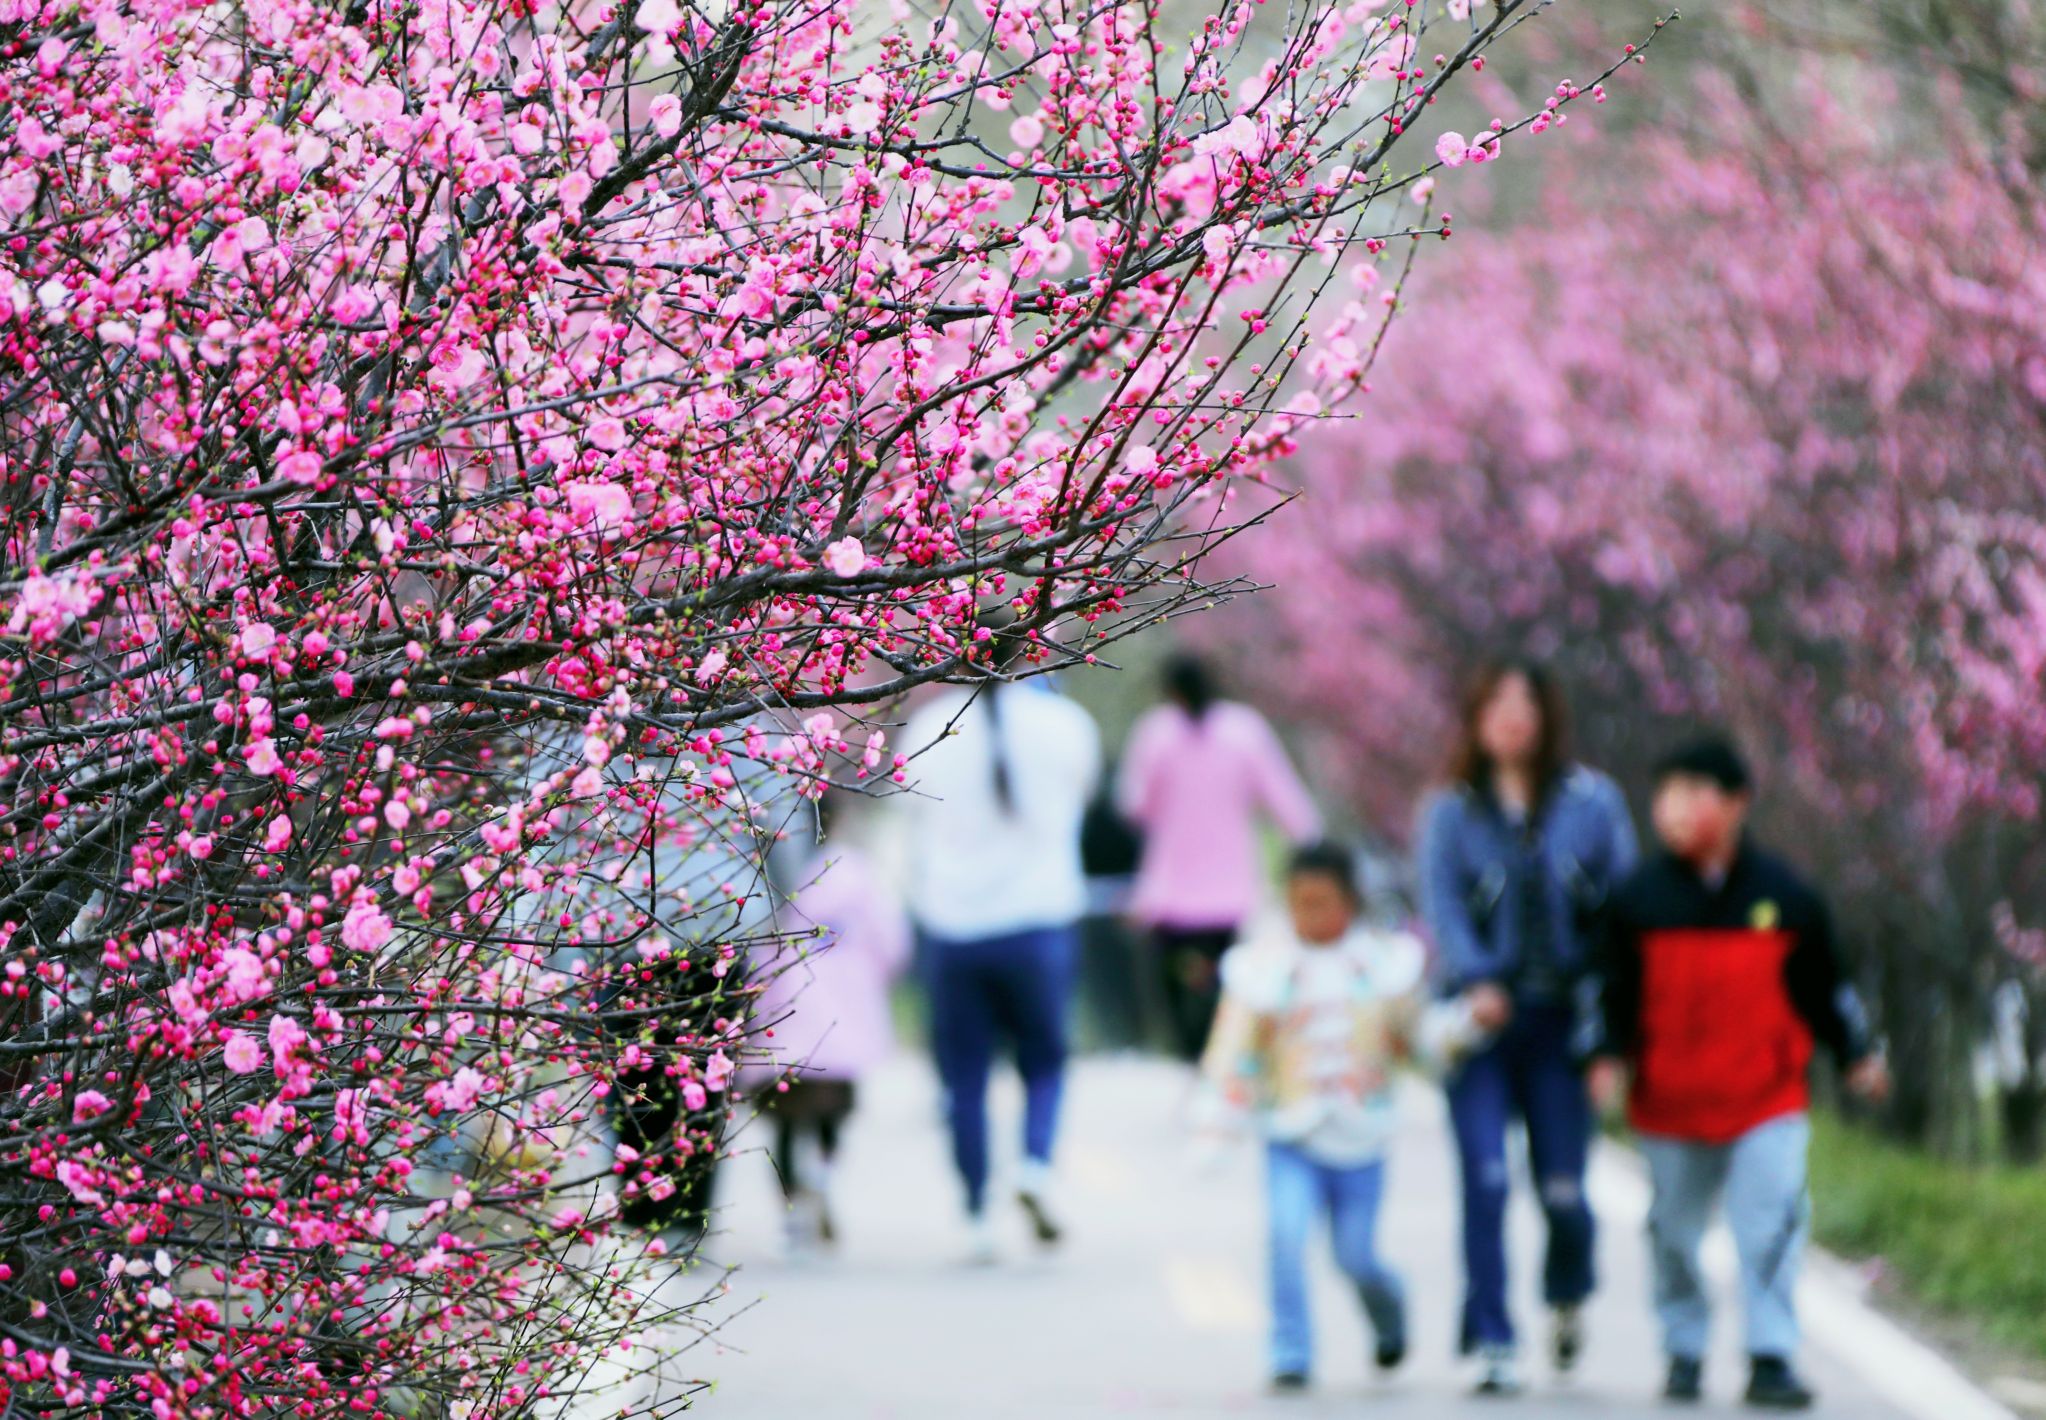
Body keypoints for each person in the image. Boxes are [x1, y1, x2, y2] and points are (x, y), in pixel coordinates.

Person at [1586, 736, 1890, 1410]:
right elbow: (1610, 994)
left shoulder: (1786, 897)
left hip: (1764, 1098)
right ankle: (1684, 1348)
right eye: (1667, 794)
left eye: (1694, 793)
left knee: (1771, 1224)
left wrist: (1856, 1054)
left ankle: (1771, 1354)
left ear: (1737, 804)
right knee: (1673, 1233)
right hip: (1669, 1101)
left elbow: (1826, 989)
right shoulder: (1637, 900)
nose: (1675, 809)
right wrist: (1603, 1056)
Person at [1415, 658, 1639, 1394]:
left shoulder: (1593, 803)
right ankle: (1492, 1338)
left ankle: (1568, 1289)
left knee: (1565, 1191)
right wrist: (1477, 978)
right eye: (1497, 701)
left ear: (1547, 715)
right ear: (1476, 717)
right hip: (1481, 1025)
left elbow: (1618, 914)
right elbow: (1442, 905)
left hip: (1562, 1024)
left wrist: (1609, 1037)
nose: (1512, 715)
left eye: (1525, 701)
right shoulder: (1451, 810)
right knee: (1485, 1180)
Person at [1198, 842, 1481, 1393]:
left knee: (1356, 1255)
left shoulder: (1381, 966)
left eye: (1321, 903)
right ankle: (1290, 1352)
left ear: (1349, 903)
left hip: (1360, 1136)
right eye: (1299, 903)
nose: (1309, 915)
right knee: (1285, 1237)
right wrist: (1218, 1118)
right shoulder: (1264, 969)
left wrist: (1463, 1026)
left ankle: (1388, 1313)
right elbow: (1233, 1050)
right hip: (1290, 1132)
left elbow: (1418, 1036)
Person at [902, 615, 1101, 1260]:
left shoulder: (929, 730)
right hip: (1039, 920)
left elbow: (909, 819)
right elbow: (1083, 798)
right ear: (1028, 653)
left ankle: (975, 1213)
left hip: (954, 927)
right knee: (1043, 1060)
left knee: (964, 1077)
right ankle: (1036, 1165)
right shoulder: (1065, 725)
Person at [1119, 654, 1321, 1062]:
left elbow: (1134, 805)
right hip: (1230, 895)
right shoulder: (1245, 731)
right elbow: (1285, 799)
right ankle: (1218, 1071)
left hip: (1170, 897)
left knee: (1182, 1005)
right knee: (1225, 1003)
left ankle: (1193, 1066)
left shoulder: (1156, 733)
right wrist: (1315, 849)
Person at [748, 794, 911, 1250]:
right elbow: (890, 940)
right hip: (843, 1017)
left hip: (783, 1017)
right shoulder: (853, 872)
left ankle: (792, 1217)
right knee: (832, 1110)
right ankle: (822, 1172)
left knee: (784, 1122)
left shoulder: (772, 872)